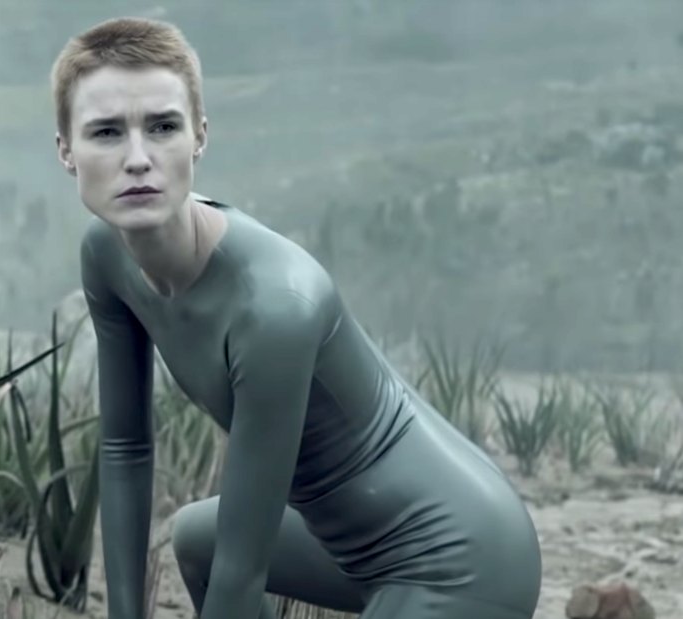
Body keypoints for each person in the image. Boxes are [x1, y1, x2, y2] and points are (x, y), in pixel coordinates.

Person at [49, 16, 542, 619]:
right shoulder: (105, 255)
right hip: (344, 544)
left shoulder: (274, 307)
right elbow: (126, 447)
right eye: (106, 132)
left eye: (163, 127)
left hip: (461, 560)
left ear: (199, 136)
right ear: (66, 150)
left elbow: (241, 576)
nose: (137, 158)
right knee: (197, 539)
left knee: (228, 569)